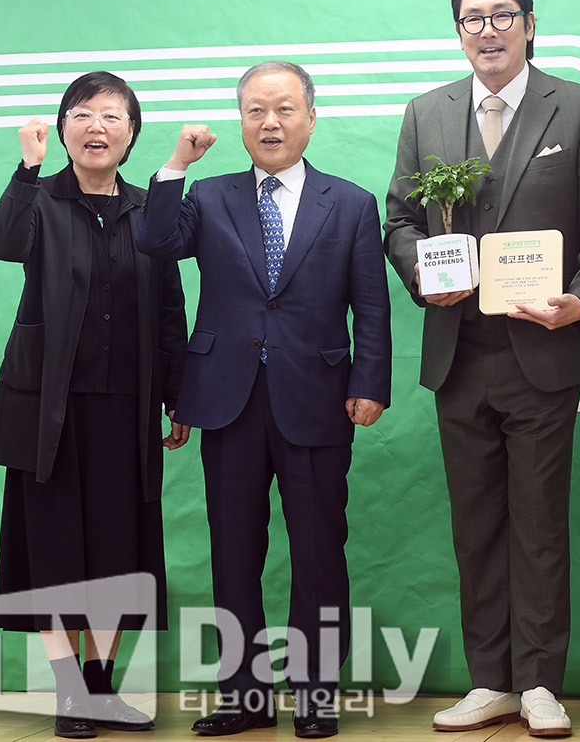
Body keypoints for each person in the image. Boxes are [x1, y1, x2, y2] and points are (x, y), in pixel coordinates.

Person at [383, 0, 580, 737]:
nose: (487, 30)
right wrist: (424, 272)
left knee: (539, 523)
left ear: (528, 24)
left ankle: (540, 682)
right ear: (459, 31)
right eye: (473, 18)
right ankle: (490, 679)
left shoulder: (579, 109)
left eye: (501, 15)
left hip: (543, 348)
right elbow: (400, 220)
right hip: (459, 352)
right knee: (476, 525)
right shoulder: (426, 113)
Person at [135, 61, 392, 738]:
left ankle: (315, 693)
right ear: (241, 120)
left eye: (283, 109)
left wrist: (369, 382)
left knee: (319, 553)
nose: (269, 122)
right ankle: (244, 696)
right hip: (228, 399)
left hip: (318, 399)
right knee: (234, 553)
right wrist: (175, 165)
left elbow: (371, 305)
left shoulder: (352, 203)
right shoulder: (209, 196)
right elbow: (154, 241)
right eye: (255, 110)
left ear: (311, 117)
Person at [0, 71, 189, 739]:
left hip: (128, 403)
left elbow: (169, 309)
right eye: (82, 114)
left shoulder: (149, 210)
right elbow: (1, 244)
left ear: (131, 132)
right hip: (49, 407)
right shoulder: (39, 198)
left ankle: (100, 690)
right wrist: (27, 167)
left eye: (111, 115)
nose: (96, 126)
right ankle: (71, 692)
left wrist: (177, 396)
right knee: (55, 548)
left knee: (118, 548)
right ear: (64, 127)